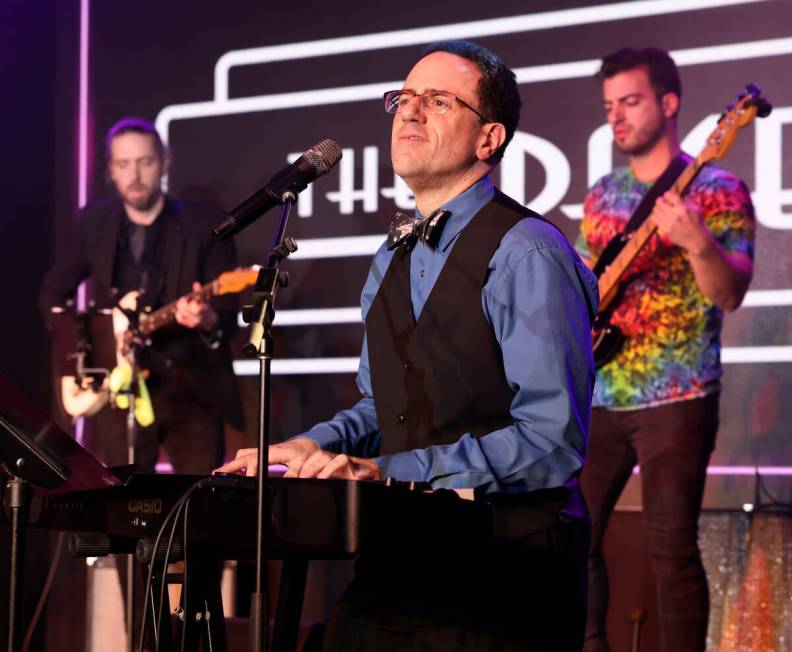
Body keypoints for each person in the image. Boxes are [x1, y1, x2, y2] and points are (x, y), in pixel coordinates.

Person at [218, 40, 598, 649]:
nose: (410, 111)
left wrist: (388, 472)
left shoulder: (528, 252)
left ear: (488, 138)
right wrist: (308, 447)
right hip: (402, 560)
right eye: (404, 97)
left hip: (505, 572)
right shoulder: (390, 258)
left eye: (439, 100)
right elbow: (380, 407)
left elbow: (552, 441)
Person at [575, 48, 755, 652]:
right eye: (609, 107)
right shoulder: (603, 194)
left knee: (671, 550)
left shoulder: (720, 188)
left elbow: (729, 294)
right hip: (599, 393)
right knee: (572, 537)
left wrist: (698, 242)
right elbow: (587, 286)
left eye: (630, 102)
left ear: (669, 103)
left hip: (679, 397)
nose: (617, 118)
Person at [39, 117, 243, 475]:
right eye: (123, 164)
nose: (134, 175)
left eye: (145, 162)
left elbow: (228, 314)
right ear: (110, 170)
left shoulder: (204, 226)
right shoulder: (95, 224)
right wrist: (83, 354)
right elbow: (52, 297)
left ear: (165, 162)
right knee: (120, 509)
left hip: (192, 392)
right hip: (120, 393)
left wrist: (208, 320)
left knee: (194, 509)